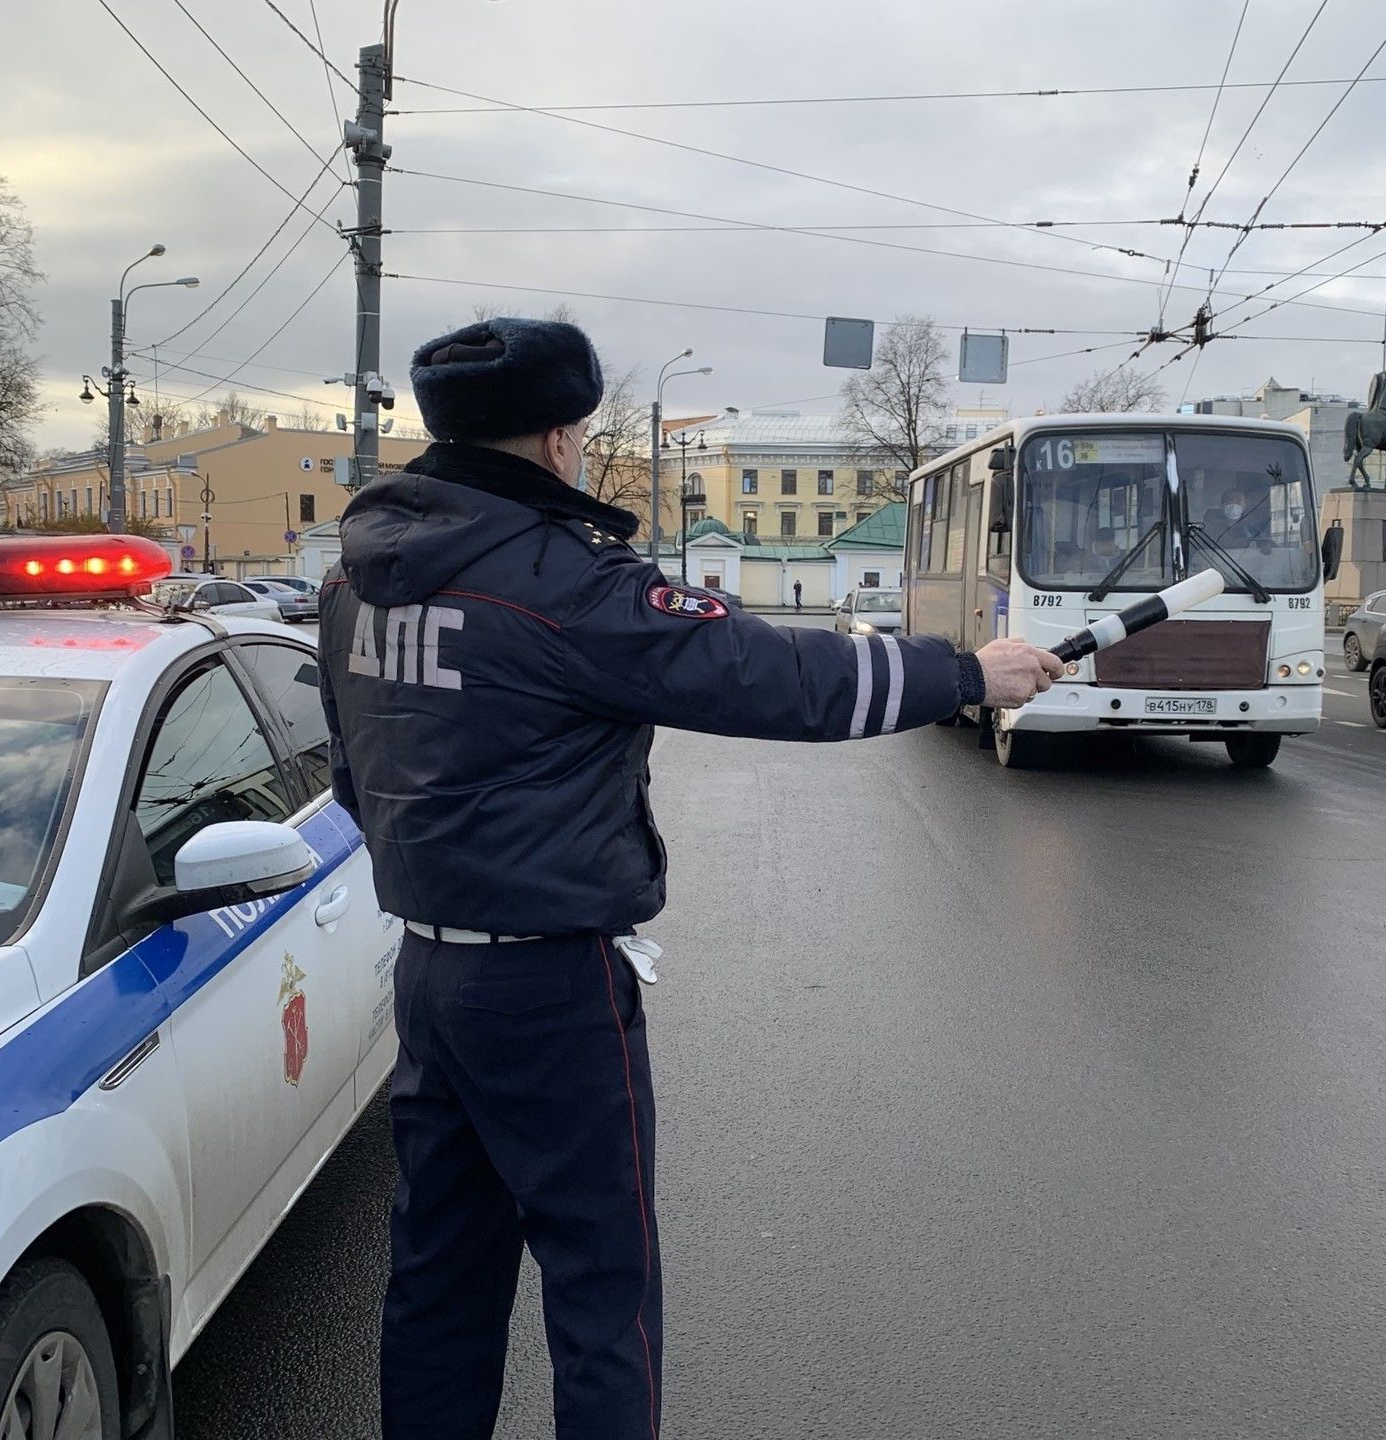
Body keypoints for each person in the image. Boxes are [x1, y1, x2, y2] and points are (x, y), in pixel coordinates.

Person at [318, 316, 1063, 1440]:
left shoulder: (354, 585)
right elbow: (769, 675)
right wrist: (962, 670)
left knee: (438, 1276)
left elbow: (351, 778)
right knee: (601, 1291)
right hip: (552, 991)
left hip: (426, 973)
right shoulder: (562, 585)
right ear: (562, 439)